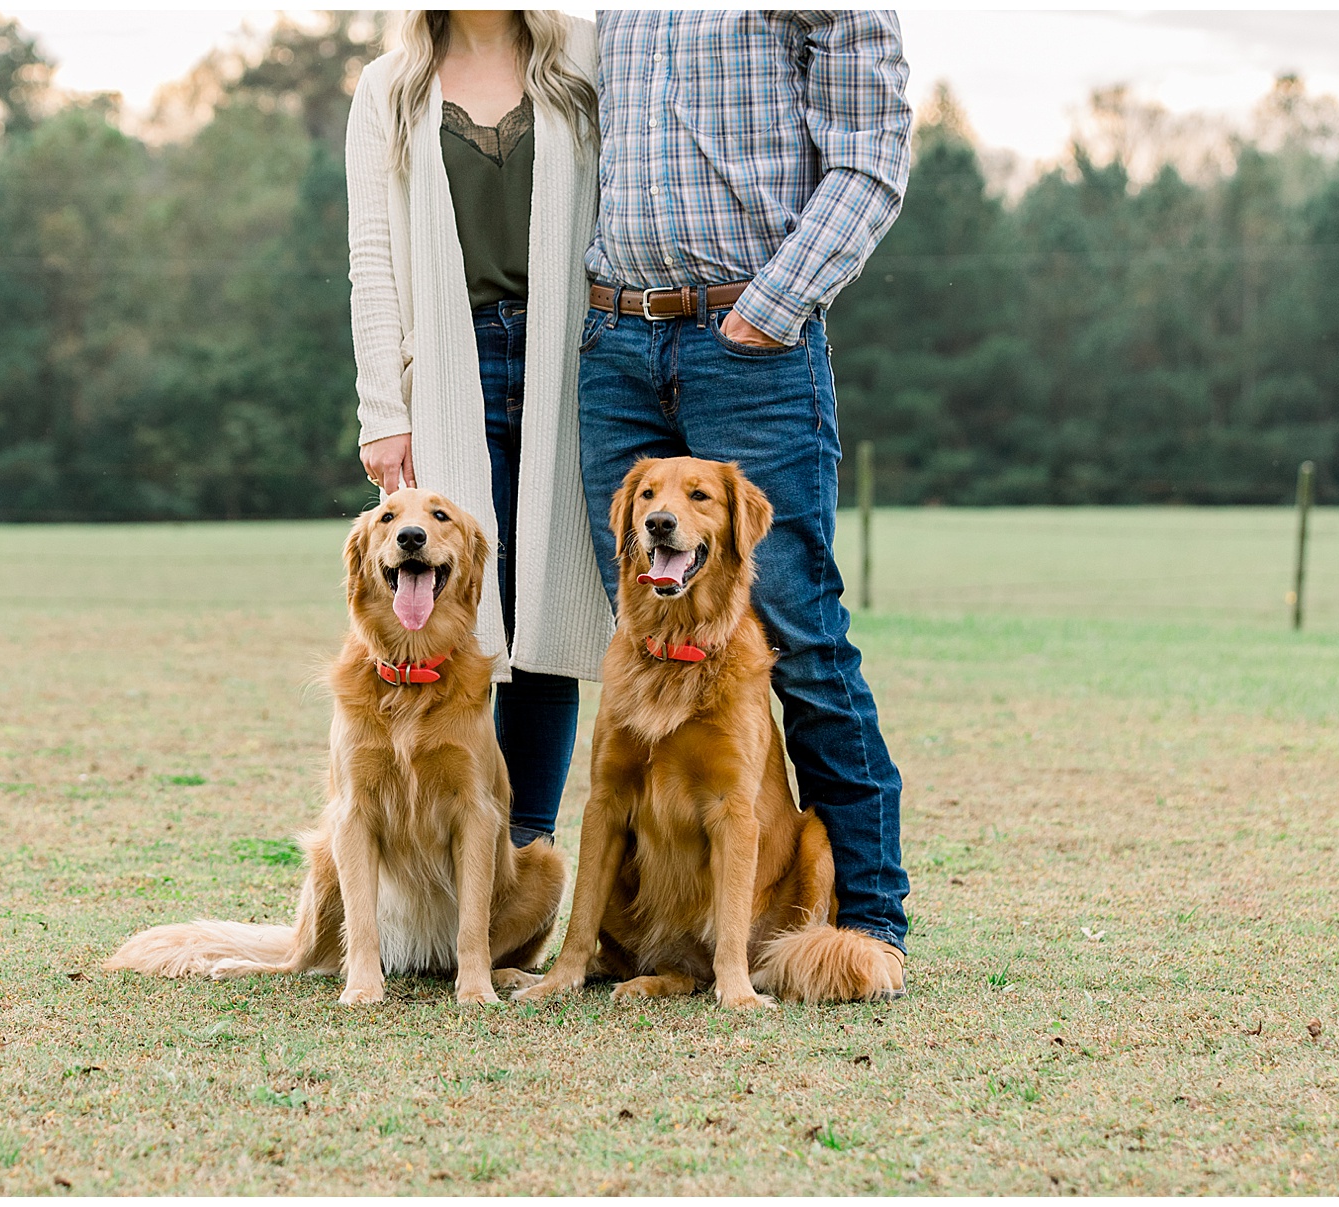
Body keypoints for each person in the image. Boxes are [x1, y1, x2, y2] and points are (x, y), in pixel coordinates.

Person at [575, 11, 915, 987]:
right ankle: (647, 931)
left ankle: (868, 926)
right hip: (618, 342)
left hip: (751, 343)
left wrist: (768, 312)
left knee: (800, 641)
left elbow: (871, 158)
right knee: (644, 632)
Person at [347, 11, 611, 848]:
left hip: (567, 362)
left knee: (546, 613)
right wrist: (383, 410)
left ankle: (523, 860)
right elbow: (374, 262)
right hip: (447, 376)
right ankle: (456, 855)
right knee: (458, 620)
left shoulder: (584, 54)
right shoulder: (389, 84)